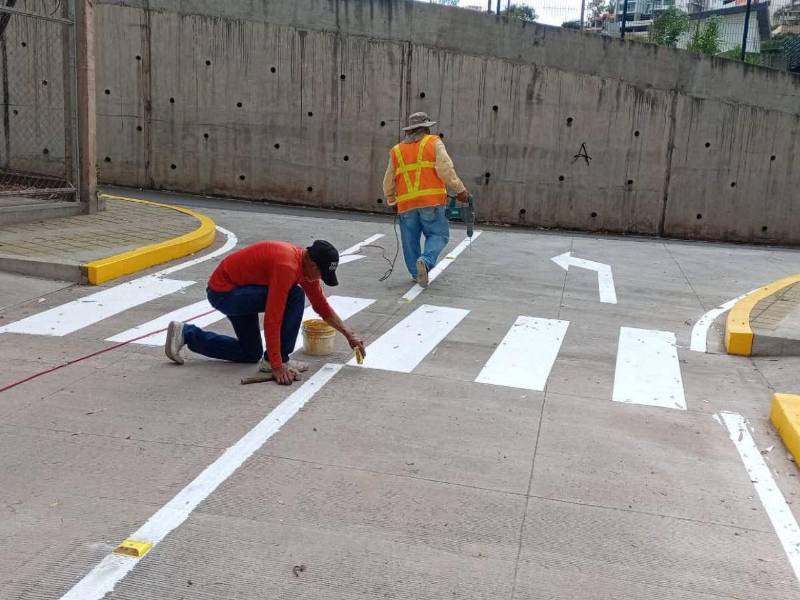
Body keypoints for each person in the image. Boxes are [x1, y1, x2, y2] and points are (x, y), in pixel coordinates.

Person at [163, 239, 366, 385]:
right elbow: (273, 318)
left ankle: (186, 334)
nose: (321, 278)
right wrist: (277, 365)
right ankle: (276, 359)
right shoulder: (287, 265)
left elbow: (321, 306)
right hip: (225, 293)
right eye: (322, 273)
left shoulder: (306, 269)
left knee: (250, 353)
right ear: (312, 263)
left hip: (240, 290)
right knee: (295, 295)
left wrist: (349, 334)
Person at [383, 112, 470, 287]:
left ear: (409, 130)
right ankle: (426, 260)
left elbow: (388, 180)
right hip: (431, 202)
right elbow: (446, 169)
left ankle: (417, 274)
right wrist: (460, 190)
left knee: (410, 240)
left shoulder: (397, 150)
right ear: (426, 127)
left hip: (406, 204)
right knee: (438, 234)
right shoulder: (433, 142)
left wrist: (392, 200)